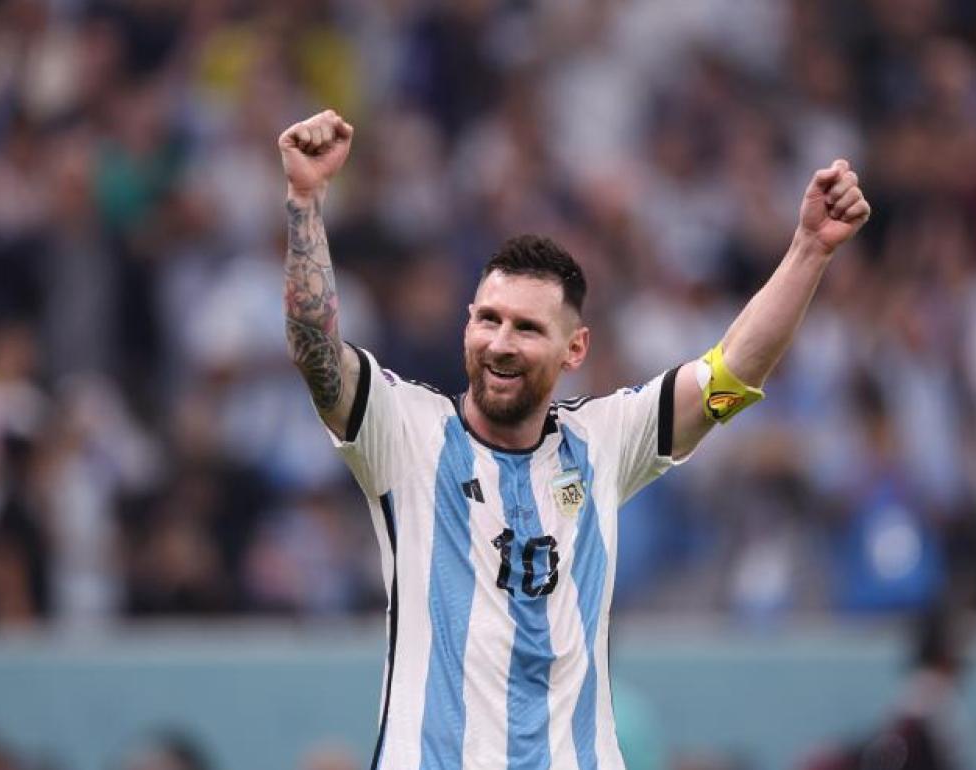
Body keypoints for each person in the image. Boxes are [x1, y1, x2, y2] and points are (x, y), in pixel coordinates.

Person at [278, 110, 870, 769]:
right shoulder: (405, 432)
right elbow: (315, 350)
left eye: (528, 328)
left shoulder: (606, 441)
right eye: (489, 320)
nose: (501, 343)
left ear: (574, 349)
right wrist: (306, 202)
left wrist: (810, 250)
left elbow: (732, 374)